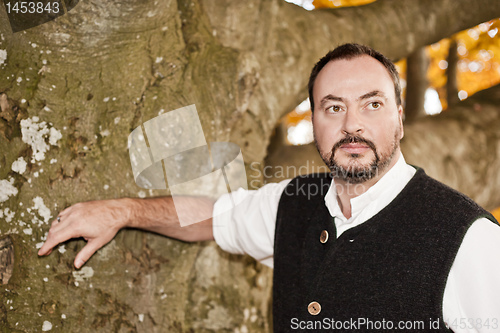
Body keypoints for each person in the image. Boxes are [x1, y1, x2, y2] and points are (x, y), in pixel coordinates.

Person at [39, 43, 500, 332]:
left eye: (372, 104)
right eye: (332, 107)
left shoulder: (468, 237)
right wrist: (122, 211)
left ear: (400, 115)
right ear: (315, 122)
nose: (352, 124)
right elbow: (213, 216)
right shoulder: (292, 204)